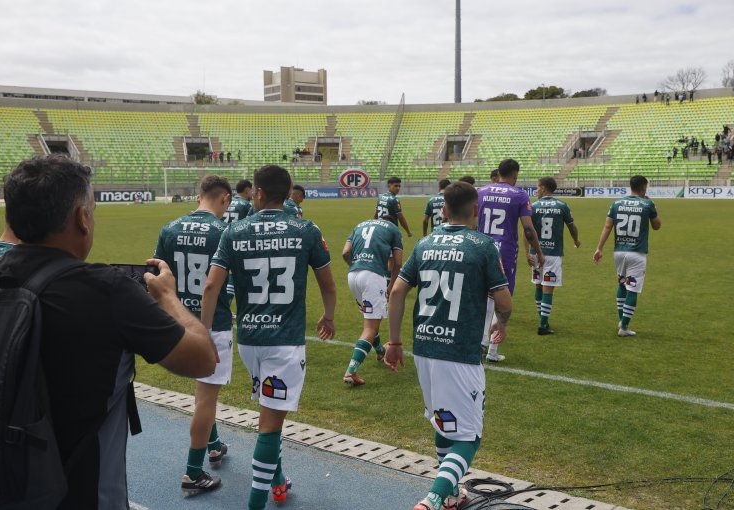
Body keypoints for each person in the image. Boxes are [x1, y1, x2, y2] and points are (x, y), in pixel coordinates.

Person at [0, 155, 216, 508]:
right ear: (81, 218)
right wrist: (168, 296)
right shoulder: (108, 290)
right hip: (82, 492)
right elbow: (202, 359)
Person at [201, 165, 336, 509]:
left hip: (249, 339)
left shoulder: (234, 230)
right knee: (270, 426)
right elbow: (328, 283)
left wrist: (204, 331)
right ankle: (256, 503)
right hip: (284, 341)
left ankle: (277, 481)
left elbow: (212, 286)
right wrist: (329, 315)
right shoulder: (306, 229)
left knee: (267, 415)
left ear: (257, 192)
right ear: (290, 191)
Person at [384, 181, 512, 510]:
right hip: (460, 353)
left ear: (443, 210)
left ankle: (452, 494)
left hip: (424, 349)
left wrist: (395, 340)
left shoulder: (424, 244)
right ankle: (433, 498)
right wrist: (503, 321)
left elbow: (397, 292)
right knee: (469, 437)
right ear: (475, 211)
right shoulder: (484, 246)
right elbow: (504, 301)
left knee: (443, 421)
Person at [153, 175, 234, 496]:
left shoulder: (170, 228)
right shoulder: (224, 232)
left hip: (178, 319)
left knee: (203, 392)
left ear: (199, 196)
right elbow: (226, 283)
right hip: (211, 322)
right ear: (225, 199)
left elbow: (155, 273)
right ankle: (193, 472)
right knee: (206, 397)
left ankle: (214, 444)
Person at [477, 158, 544, 363]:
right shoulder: (519, 195)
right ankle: (493, 351)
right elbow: (528, 229)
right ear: (514, 174)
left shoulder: (480, 191)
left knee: (482, 296)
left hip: (480, 246)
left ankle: (480, 341)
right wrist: (539, 252)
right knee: (501, 299)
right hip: (504, 251)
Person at [592, 175, 662, 337]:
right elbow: (657, 226)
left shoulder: (616, 203)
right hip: (637, 253)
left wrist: (599, 248)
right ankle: (624, 327)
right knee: (633, 289)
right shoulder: (647, 203)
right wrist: (654, 207)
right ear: (644, 187)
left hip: (619, 252)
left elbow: (608, 226)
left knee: (622, 283)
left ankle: (620, 319)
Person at [340, 215, 403, 385]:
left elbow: (345, 252)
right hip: (373, 276)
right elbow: (398, 262)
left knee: (370, 317)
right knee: (370, 326)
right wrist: (391, 285)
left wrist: (355, 267)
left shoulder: (359, 224)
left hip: (353, 275)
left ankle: (381, 351)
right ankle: (351, 371)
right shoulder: (392, 229)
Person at [525, 177, 580, 335]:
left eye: (537, 187)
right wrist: (576, 240)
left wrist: (528, 251)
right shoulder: (562, 205)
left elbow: (527, 231)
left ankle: (542, 319)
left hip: (537, 253)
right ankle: (543, 324)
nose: (536, 190)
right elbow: (571, 227)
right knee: (548, 288)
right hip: (553, 254)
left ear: (543, 188)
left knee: (538, 284)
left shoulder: (534, 206)